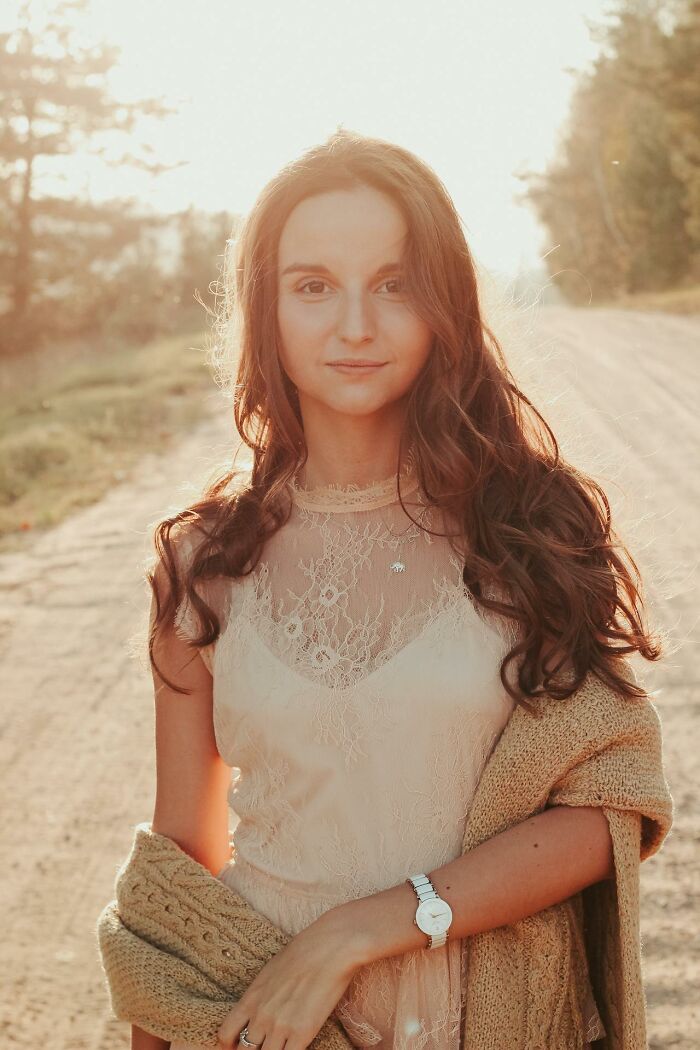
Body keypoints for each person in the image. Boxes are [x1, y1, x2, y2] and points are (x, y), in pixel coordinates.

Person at [136, 129, 670, 1050]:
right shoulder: (204, 562)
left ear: (443, 304)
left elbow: (609, 799)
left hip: (490, 1021)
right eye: (313, 287)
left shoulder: (528, 530)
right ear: (265, 311)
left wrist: (365, 928)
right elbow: (181, 865)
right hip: (269, 1023)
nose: (356, 325)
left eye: (394, 283)